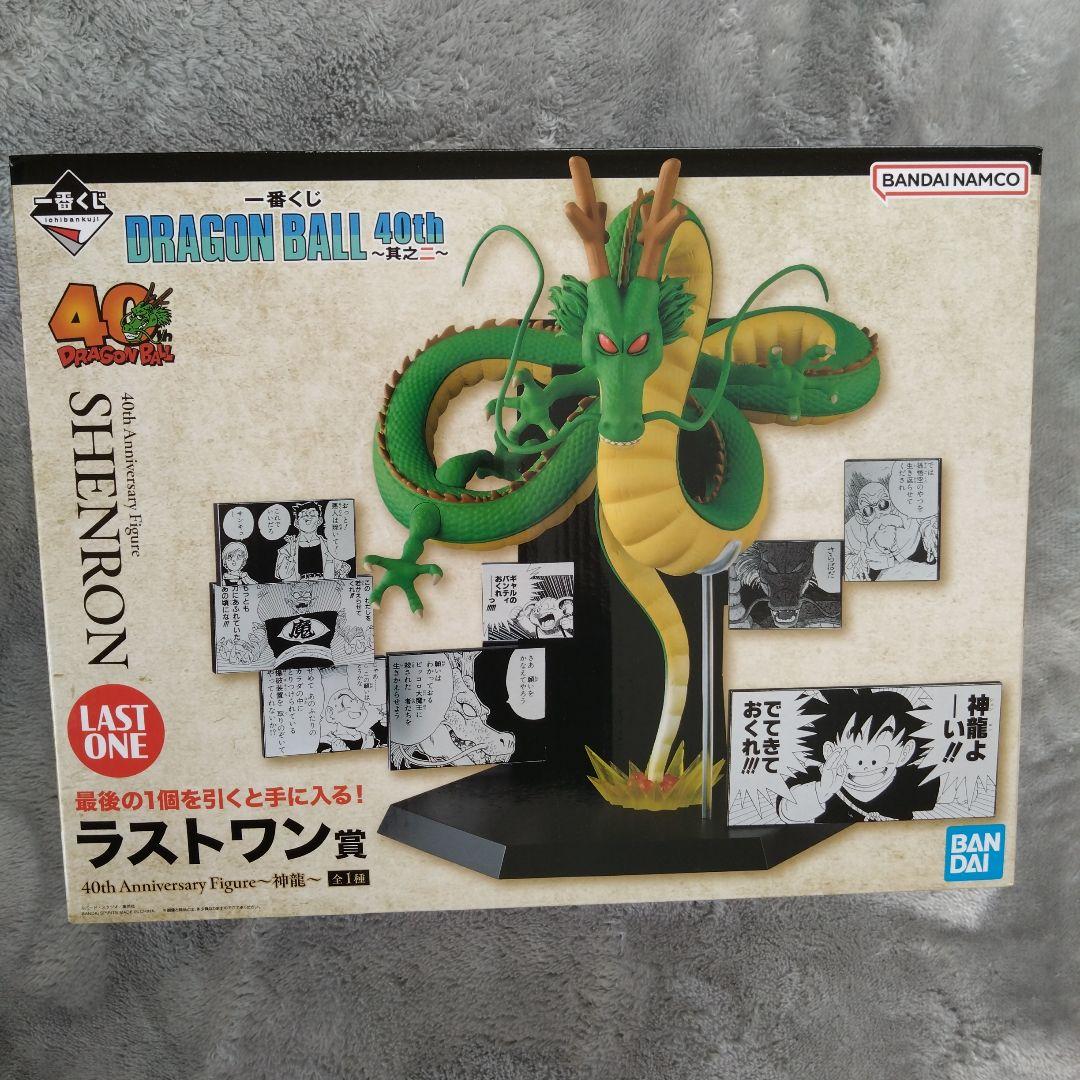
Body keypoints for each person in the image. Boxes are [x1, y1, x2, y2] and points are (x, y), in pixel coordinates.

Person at [778, 687, 939, 822]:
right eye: (854, 753)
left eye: (881, 752)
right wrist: (823, 790)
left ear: (905, 752)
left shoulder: (916, 781)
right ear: (829, 751)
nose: (866, 764)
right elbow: (786, 811)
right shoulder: (819, 777)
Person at [275, 502, 351, 581]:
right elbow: (282, 575)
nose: (308, 518)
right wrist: (291, 555)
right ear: (296, 523)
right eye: (303, 515)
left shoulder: (330, 547)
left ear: (319, 520)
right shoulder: (287, 549)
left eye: (312, 515)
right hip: (298, 587)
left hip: (324, 586)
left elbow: (343, 572)